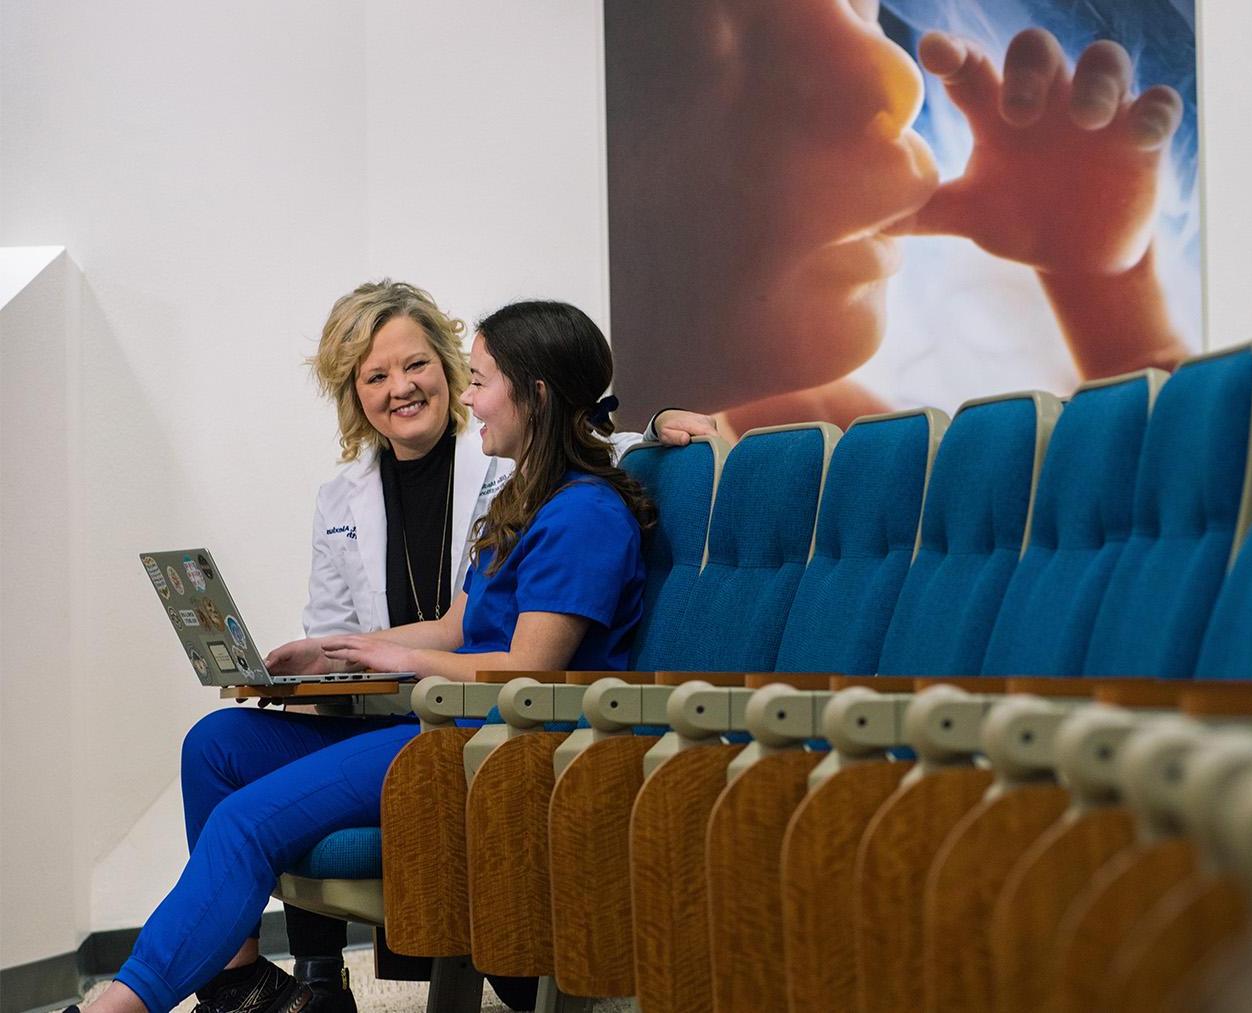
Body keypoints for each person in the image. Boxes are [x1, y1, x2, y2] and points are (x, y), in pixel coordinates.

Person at [72, 300, 682, 1013]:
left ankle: (113, 1007)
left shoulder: (582, 513)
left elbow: (528, 671)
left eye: (478, 380)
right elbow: (461, 624)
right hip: (448, 718)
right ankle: (240, 987)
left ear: (536, 395)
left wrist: (395, 660)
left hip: (494, 740)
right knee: (219, 743)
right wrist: (342, 651)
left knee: (246, 818)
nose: (470, 398)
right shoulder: (525, 496)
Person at [278, 280, 712, 1012]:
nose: (400, 387)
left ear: (449, 372)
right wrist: (327, 656)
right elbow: (373, 631)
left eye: (416, 365)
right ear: (355, 394)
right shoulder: (343, 498)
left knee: (264, 809)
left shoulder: (515, 468)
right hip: (407, 708)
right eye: (375, 376)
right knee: (229, 750)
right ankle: (312, 980)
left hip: (483, 716)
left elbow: (594, 442)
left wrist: (661, 417)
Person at [604, 0, 1187, 434]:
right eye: (709, 44)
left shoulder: (810, 430)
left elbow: (1164, 520)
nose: (898, 80)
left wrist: (1104, 296)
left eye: (861, 7)